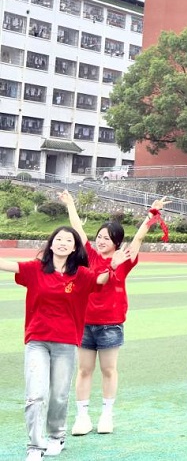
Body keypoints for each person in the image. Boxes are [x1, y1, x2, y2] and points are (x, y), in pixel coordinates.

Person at [1, 226, 120, 460]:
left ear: (74, 248)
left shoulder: (81, 275)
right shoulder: (35, 269)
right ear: (51, 244)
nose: (63, 243)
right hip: (37, 341)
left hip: (65, 343)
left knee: (58, 395)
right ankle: (35, 446)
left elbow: (100, 280)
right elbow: (8, 265)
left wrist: (112, 266)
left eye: (68, 240)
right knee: (35, 395)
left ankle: (56, 436)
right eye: (58, 239)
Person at [62, 191, 162, 436]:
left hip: (110, 323)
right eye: (99, 237)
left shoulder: (124, 259)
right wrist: (70, 204)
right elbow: (78, 229)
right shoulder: (89, 256)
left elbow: (138, 238)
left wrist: (151, 214)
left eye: (106, 238)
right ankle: (82, 416)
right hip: (85, 322)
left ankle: (106, 415)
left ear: (116, 241)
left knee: (108, 370)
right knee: (84, 370)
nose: (101, 241)